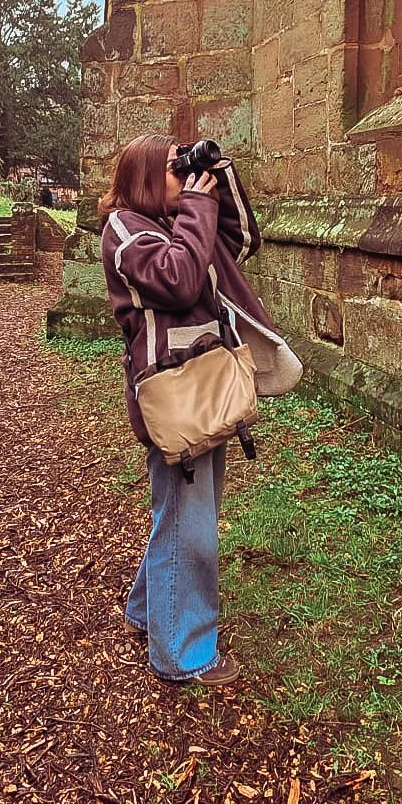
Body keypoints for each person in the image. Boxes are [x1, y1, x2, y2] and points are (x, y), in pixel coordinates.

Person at [99, 132, 283, 689]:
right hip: (177, 396)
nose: (188, 181)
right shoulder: (126, 231)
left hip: (204, 386)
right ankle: (183, 653)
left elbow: (241, 238)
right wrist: (198, 206)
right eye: (178, 172)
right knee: (190, 522)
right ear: (149, 178)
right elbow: (177, 282)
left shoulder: (181, 225)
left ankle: (148, 612)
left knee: (181, 513)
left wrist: (217, 177)